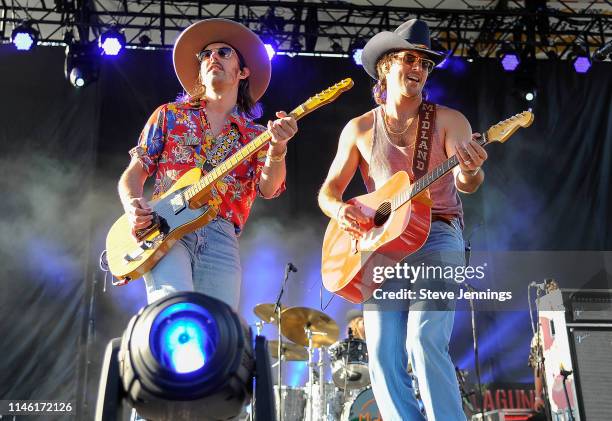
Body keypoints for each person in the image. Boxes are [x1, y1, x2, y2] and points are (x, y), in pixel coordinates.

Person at [318, 19, 487, 420]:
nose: (418, 68)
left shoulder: (448, 120)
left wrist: (469, 170)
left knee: (424, 338)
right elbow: (327, 193)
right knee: (381, 354)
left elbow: (469, 184)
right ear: (385, 66)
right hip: (382, 248)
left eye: (425, 63)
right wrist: (341, 210)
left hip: (439, 236)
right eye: (409, 58)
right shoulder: (359, 128)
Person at [118, 18, 298, 309]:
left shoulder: (256, 136)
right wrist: (132, 205)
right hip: (167, 228)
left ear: (243, 72)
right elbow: (134, 172)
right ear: (200, 71)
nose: (213, 57)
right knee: (174, 312)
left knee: (216, 329)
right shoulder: (169, 115)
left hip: (221, 236)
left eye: (224, 52)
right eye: (206, 54)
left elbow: (269, 188)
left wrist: (278, 148)